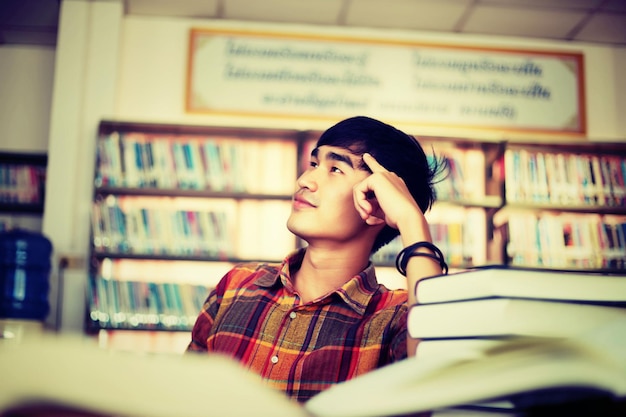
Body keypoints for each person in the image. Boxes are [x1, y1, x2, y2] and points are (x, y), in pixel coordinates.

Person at [187, 115, 448, 403]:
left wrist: (412, 221)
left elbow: (437, 379)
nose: (305, 180)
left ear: (376, 201)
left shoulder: (396, 318)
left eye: (335, 169)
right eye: (314, 164)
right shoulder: (236, 286)